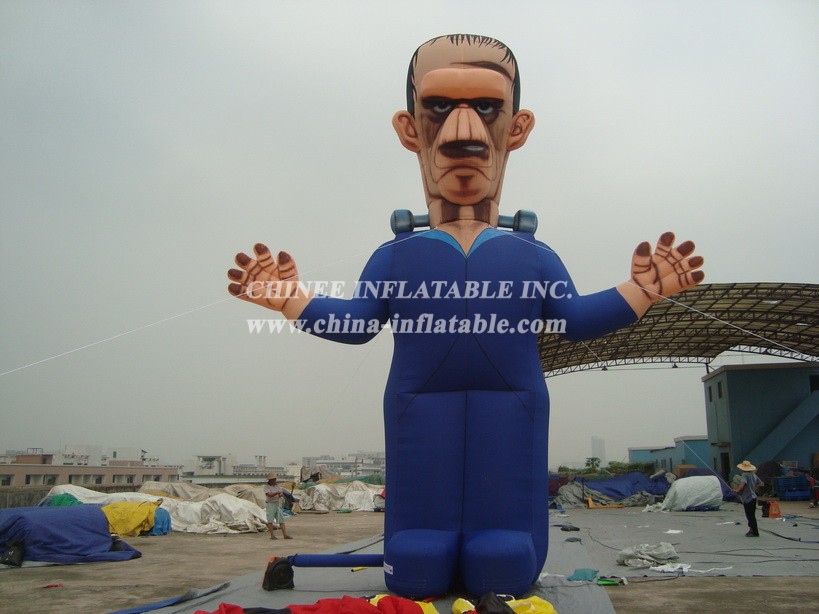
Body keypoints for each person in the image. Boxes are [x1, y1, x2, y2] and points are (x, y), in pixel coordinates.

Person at [227, 34, 704, 597]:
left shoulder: (530, 255)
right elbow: (358, 323)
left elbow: (572, 318)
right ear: (410, 129)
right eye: (438, 107)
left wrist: (639, 291)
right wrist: (291, 300)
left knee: (503, 534)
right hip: (418, 400)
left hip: (513, 399)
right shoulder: (399, 256)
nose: (462, 133)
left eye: (486, 107)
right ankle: (423, 536)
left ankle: (500, 536)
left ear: (516, 128)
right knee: (419, 532)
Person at [733, 460, 763, 536]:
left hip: (748, 498)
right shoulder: (753, 475)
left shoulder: (745, 475)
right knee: (752, 515)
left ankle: (755, 532)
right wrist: (754, 487)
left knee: (749, 516)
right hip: (754, 497)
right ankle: (751, 530)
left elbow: (742, 484)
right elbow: (761, 483)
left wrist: (737, 490)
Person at [264, 473, 292, 540]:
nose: (274, 480)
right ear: (270, 480)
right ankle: (272, 535)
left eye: (275, 479)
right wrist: (276, 493)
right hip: (270, 504)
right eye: (273, 479)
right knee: (270, 520)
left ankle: (285, 535)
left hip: (277, 504)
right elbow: (269, 494)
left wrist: (280, 494)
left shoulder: (277, 486)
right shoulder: (266, 487)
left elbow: (281, 494)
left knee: (281, 520)